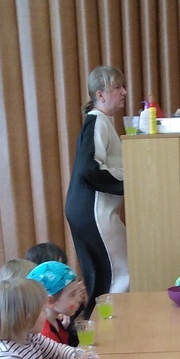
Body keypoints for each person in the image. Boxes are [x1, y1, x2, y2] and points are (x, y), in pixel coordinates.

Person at [64, 65, 128, 314]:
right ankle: (108, 327)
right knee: (119, 273)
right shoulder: (96, 122)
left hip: (90, 211)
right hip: (93, 212)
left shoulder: (101, 122)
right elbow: (88, 168)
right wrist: (125, 185)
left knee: (104, 274)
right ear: (100, 95)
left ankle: (100, 326)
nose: (124, 92)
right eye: (117, 87)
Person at [28, 260, 85, 359]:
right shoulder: (45, 333)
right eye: (72, 295)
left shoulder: (55, 320)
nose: (77, 299)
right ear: (50, 301)